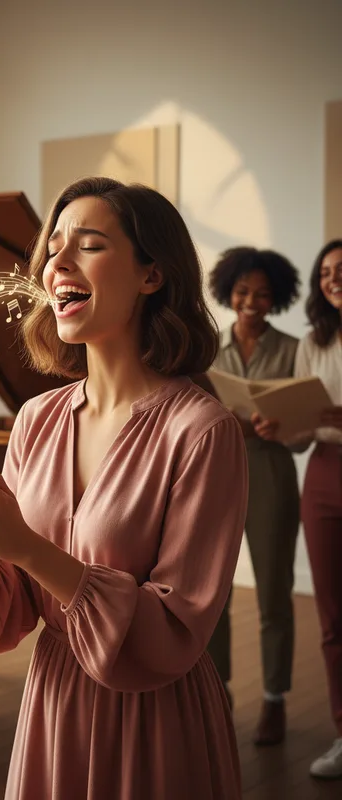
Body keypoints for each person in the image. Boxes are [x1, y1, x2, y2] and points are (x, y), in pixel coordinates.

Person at [0, 177, 248, 799]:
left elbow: (172, 633)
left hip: (154, 720)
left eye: (90, 245)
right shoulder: (36, 419)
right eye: (52, 249)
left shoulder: (203, 431)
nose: (58, 265)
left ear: (151, 275)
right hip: (53, 706)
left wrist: (23, 544)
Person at [252, 239, 342, 779]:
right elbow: (306, 438)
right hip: (326, 475)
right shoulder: (314, 343)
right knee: (332, 618)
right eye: (326, 271)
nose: (333, 278)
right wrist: (281, 427)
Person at [205, 247, 301, 745]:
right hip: (217, 474)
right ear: (229, 292)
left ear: (276, 298)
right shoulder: (209, 349)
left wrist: (280, 426)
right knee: (213, 592)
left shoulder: (293, 348)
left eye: (263, 294)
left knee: (272, 593)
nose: (251, 301)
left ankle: (275, 699)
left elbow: (305, 433)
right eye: (243, 292)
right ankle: (216, 691)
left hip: (270, 470)